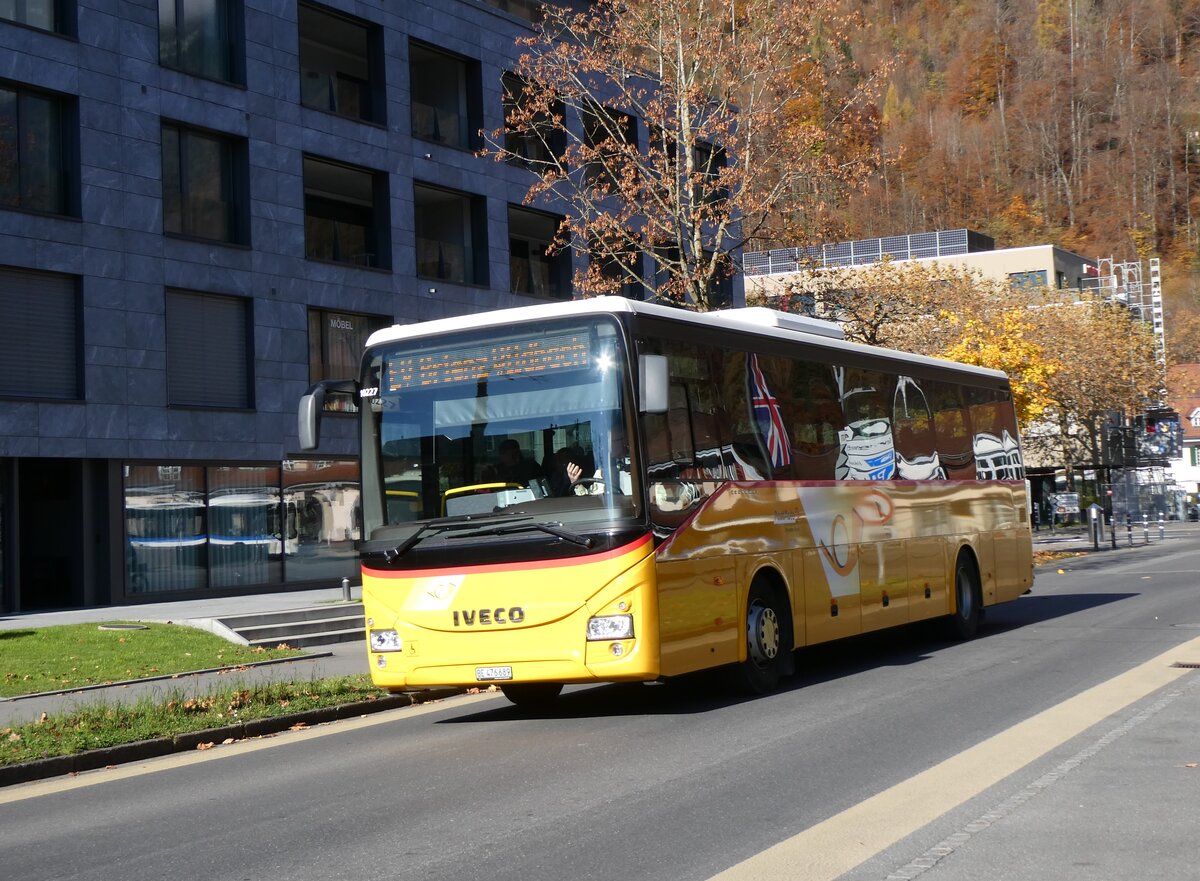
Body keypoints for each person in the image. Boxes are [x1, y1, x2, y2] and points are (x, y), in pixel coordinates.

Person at [561, 428, 632, 495]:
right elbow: (591, 500)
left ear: (625, 441)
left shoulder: (638, 459)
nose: (607, 445)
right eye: (606, 441)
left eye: (611, 441)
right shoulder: (602, 471)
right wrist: (576, 483)